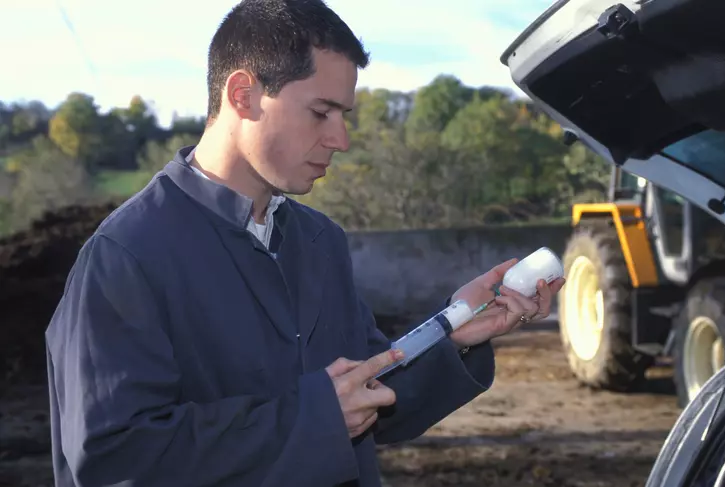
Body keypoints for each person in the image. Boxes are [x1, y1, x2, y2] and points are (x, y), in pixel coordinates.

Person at [44, 1, 565, 486]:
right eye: (321, 112)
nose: (340, 139)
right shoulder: (127, 255)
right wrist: (315, 417)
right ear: (242, 95)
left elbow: (372, 393)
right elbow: (112, 455)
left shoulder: (319, 241)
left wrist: (455, 332)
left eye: (345, 116)